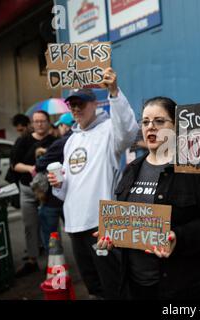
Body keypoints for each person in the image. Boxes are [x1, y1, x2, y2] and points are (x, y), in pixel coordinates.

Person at [96, 97, 200, 300]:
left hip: (185, 285)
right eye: (145, 122)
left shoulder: (195, 169)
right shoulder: (132, 169)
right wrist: (112, 234)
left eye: (160, 121)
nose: (150, 127)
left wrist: (178, 237)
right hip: (137, 284)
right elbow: (126, 220)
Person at [48, 67, 138, 300]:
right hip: (74, 226)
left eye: (81, 103)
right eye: (72, 105)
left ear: (94, 104)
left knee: (114, 285)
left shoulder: (109, 131)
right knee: (93, 287)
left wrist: (115, 92)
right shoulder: (71, 141)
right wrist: (57, 184)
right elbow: (65, 189)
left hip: (101, 226)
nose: (76, 109)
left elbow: (128, 131)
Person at [12, 110, 57, 277]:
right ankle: (32, 260)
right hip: (27, 189)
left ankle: (54, 261)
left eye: (43, 121)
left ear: (48, 122)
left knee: (50, 227)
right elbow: (14, 164)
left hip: (48, 192)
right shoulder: (23, 140)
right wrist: (31, 168)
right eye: (36, 121)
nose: (39, 124)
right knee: (30, 226)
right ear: (32, 123)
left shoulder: (55, 141)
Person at [34, 112, 75, 252]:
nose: (59, 129)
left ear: (65, 126)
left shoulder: (61, 142)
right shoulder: (82, 141)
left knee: (51, 235)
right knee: (77, 235)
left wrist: (41, 154)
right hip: (73, 197)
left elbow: (39, 165)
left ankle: (55, 266)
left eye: (60, 126)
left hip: (54, 199)